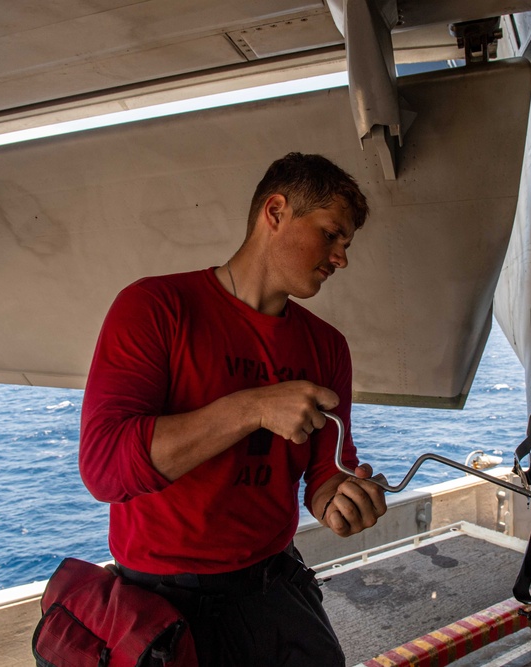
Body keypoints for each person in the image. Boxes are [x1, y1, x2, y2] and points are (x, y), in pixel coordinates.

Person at [79, 152, 387, 666]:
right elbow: (105, 469)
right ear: (275, 212)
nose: (341, 258)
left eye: (347, 244)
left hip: (275, 584)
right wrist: (251, 408)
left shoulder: (327, 347)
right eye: (332, 234)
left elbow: (324, 477)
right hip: (162, 602)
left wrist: (341, 503)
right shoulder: (154, 308)